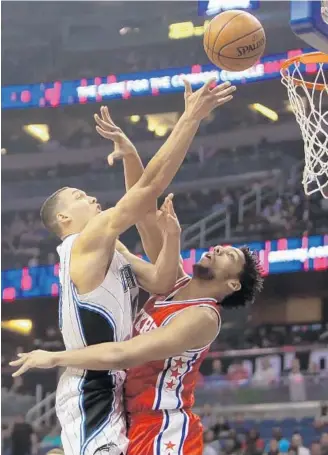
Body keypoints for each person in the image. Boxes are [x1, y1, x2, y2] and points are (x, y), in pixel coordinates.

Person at [10, 79, 236, 455]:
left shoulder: (110, 248)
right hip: (92, 388)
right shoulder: (85, 242)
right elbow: (148, 190)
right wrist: (191, 117)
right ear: (65, 217)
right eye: (80, 196)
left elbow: (163, 279)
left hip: (113, 388)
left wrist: (131, 157)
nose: (93, 196)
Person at [11, 241, 263, 455]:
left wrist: (55, 358)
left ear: (233, 284)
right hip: (127, 414)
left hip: (161, 425)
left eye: (229, 255)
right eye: (222, 248)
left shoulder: (203, 317)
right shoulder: (173, 284)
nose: (219, 249)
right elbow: (142, 225)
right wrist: (103, 222)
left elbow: (123, 354)